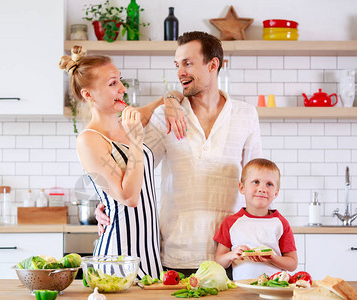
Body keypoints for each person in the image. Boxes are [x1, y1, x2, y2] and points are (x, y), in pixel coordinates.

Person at [96, 31, 263, 277]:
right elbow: (131, 163)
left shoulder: (246, 115)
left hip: (231, 256)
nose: (180, 72)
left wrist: (268, 231)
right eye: (177, 65)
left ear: (213, 64)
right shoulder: (165, 116)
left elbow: (256, 183)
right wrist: (106, 199)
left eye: (188, 63)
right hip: (177, 255)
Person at [59, 46, 181, 279]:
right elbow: (129, 197)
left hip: (149, 257)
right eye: (113, 83)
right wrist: (136, 141)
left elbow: (174, 95)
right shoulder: (89, 140)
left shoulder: (128, 120)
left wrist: (171, 99)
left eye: (120, 81)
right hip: (119, 259)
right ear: (88, 95)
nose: (123, 89)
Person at [213, 158, 298, 280]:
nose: (262, 189)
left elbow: (292, 264)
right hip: (241, 290)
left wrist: (272, 257)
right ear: (242, 188)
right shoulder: (230, 223)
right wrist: (232, 255)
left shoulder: (281, 223)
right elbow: (219, 261)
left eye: (269, 184)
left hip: (274, 289)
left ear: (276, 193)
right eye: (256, 182)